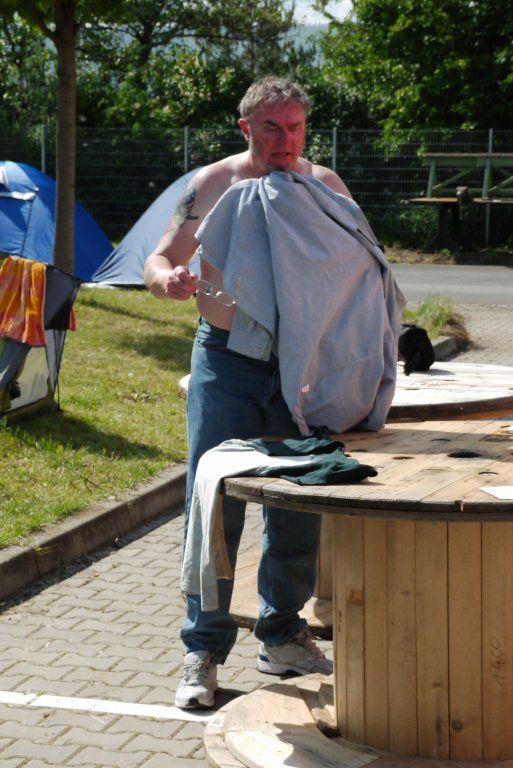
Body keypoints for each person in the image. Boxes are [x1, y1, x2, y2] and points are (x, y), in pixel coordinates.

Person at [144, 76, 352, 710]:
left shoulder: (325, 187)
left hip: (301, 365)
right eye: (271, 127)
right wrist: (169, 281)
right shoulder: (212, 184)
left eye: (295, 127)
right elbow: (156, 260)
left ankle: (282, 634)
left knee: (298, 501)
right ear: (245, 127)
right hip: (226, 361)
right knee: (212, 503)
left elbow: (358, 275)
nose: (285, 140)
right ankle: (203, 651)